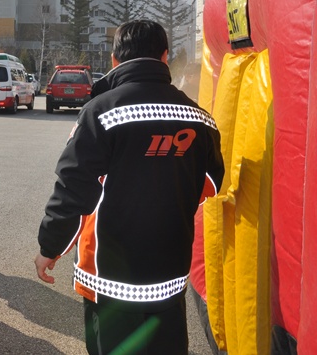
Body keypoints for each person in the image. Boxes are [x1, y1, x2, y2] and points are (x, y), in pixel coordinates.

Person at [35, 20, 225, 355]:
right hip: (169, 281)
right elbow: (210, 184)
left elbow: (73, 191)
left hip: (110, 282)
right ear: (165, 57)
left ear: (114, 60)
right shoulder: (200, 118)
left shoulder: (101, 113)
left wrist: (50, 248)